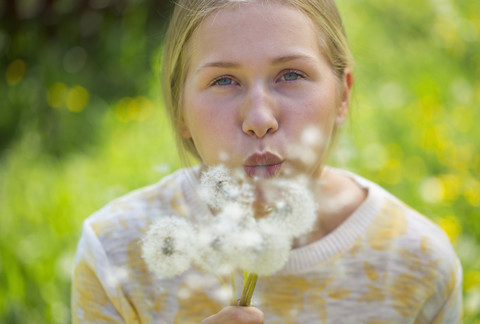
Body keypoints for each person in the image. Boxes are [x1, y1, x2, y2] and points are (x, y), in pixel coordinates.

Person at [71, 0, 462, 323]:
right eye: (224, 80)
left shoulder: (419, 263)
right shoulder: (116, 254)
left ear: (342, 96)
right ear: (179, 112)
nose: (259, 119)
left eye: (290, 75)